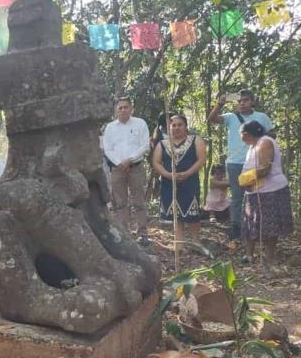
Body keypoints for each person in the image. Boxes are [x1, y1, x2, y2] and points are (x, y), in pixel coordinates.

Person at [208, 89, 273, 242]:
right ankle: (236, 228)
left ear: (252, 101)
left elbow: (272, 134)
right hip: (234, 163)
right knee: (237, 197)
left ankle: (256, 227)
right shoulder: (231, 117)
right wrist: (220, 104)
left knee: (256, 195)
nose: (242, 103)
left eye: (245, 100)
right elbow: (212, 119)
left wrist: (258, 137)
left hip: (255, 162)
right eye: (239, 101)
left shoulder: (261, 117)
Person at [238, 120, 293, 269]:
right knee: (250, 223)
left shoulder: (265, 142)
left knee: (270, 226)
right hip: (254, 191)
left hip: (271, 190)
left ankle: (270, 259)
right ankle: (249, 255)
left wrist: (246, 178)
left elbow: (264, 168)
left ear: (246, 133)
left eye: (241, 134)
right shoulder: (252, 145)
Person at [151, 114, 207, 254]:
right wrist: (168, 175)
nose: (176, 128)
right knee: (176, 214)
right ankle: (179, 244)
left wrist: (187, 173)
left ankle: (196, 242)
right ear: (169, 127)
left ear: (185, 126)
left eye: (179, 124)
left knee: (192, 212)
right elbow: (156, 163)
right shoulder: (162, 144)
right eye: (173, 125)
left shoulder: (195, 140)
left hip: (190, 181)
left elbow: (201, 160)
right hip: (169, 182)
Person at [102, 97, 151, 244]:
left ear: (131, 109)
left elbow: (145, 145)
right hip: (117, 169)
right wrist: (119, 163)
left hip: (136, 167)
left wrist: (129, 159)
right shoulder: (110, 128)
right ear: (116, 110)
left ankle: (143, 234)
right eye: (120, 107)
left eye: (126, 107)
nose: (123, 110)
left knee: (139, 201)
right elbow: (107, 149)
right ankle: (125, 234)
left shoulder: (140, 124)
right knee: (120, 202)